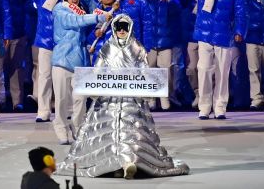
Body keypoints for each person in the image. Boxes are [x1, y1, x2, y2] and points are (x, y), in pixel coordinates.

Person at [57, 14, 189, 178]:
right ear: (113, 28)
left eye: (124, 27)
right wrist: (95, 86)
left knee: (130, 131)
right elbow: (98, 70)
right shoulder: (107, 47)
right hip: (109, 99)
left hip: (130, 97)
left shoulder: (137, 48)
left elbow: (144, 71)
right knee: (109, 132)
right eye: (118, 27)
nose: (121, 31)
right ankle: (113, 165)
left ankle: (128, 162)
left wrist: (147, 88)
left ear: (130, 28)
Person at [172, 0, 248, 120]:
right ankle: (205, 106)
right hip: (204, 32)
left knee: (222, 71)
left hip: (224, 35)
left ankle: (220, 106)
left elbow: (241, 12)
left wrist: (239, 31)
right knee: (204, 69)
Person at [14, 0, 66, 122]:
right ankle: (43, 111)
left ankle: (62, 109)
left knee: (63, 78)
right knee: (44, 76)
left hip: (64, 43)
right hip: (44, 41)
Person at [51, 0, 106, 144]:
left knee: (80, 99)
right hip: (62, 60)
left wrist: (96, 32)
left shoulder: (82, 12)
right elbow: (74, 21)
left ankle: (77, 127)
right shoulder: (60, 10)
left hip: (81, 61)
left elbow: (87, 32)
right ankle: (61, 128)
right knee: (61, 100)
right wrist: (98, 17)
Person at [137, 0, 182, 110]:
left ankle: (164, 97)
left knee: (166, 70)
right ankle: (151, 98)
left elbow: (178, 9)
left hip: (165, 38)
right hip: (149, 39)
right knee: (149, 68)